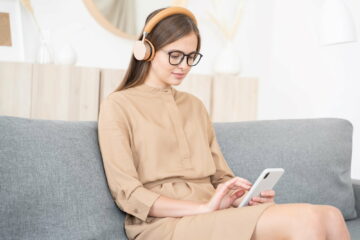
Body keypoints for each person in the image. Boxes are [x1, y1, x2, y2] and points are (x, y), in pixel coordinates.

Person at [97, 6, 351, 240]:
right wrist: (202, 208)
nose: (184, 66)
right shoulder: (118, 105)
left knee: (330, 215)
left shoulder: (194, 106)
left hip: (213, 213)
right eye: (175, 55)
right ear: (146, 51)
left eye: (191, 57)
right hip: (164, 223)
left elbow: (221, 177)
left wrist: (245, 198)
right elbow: (127, 194)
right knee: (305, 221)